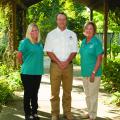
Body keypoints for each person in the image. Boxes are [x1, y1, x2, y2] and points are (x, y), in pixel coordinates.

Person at [44, 12, 78, 120]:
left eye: (63, 19)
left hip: (68, 66)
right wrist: (59, 62)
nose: (62, 21)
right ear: (56, 21)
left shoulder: (72, 34)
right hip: (55, 66)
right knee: (54, 92)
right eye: (59, 19)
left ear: (66, 20)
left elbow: (74, 51)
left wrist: (66, 62)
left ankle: (67, 112)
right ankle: (55, 113)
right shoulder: (51, 34)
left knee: (67, 91)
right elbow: (48, 51)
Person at [17, 23, 44, 120]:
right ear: (29, 32)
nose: (34, 32)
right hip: (27, 73)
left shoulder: (40, 43)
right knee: (28, 93)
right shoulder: (25, 42)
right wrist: (23, 64)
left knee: (35, 93)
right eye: (32, 30)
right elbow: (19, 55)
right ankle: (28, 114)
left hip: (38, 72)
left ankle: (35, 112)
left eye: (36, 30)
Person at [80, 21, 104, 120]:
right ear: (84, 30)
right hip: (85, 73)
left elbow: (99, 59)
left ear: (94, 31)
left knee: (93, 95)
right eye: (87, 28)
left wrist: (93, 72)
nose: (88, 30)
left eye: (91, 29)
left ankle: (93, 116)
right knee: (87, 95)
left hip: (94, 74)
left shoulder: (96, 42)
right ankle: (90, 112)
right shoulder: (84, 42)